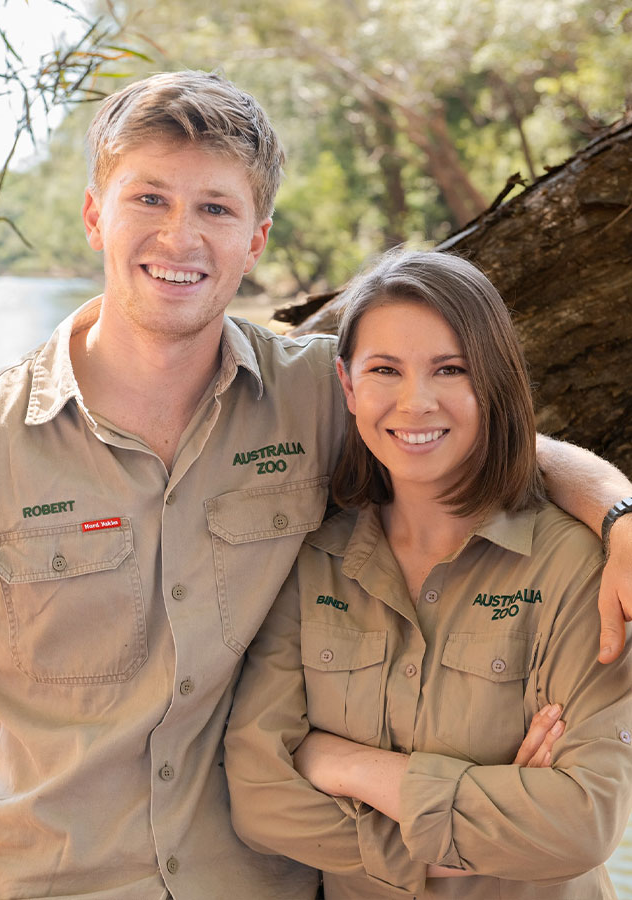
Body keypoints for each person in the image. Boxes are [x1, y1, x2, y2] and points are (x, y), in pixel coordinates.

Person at [0, 72, 630, 900]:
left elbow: (482, 442)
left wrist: (620, 516)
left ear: (256, 238)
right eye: (149, 198)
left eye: (216, 209)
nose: (179, 236)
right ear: (95, 216)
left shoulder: (315, 394)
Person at [225, 249, 632, 899]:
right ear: (347, 384)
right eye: (385, 369)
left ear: (492, 384)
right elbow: (258, 795)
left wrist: (347, 764)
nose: (416, 402)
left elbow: (582, 824)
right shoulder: (312, 566)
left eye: (450, 370)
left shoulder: (576, 567)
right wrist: (472, 837)